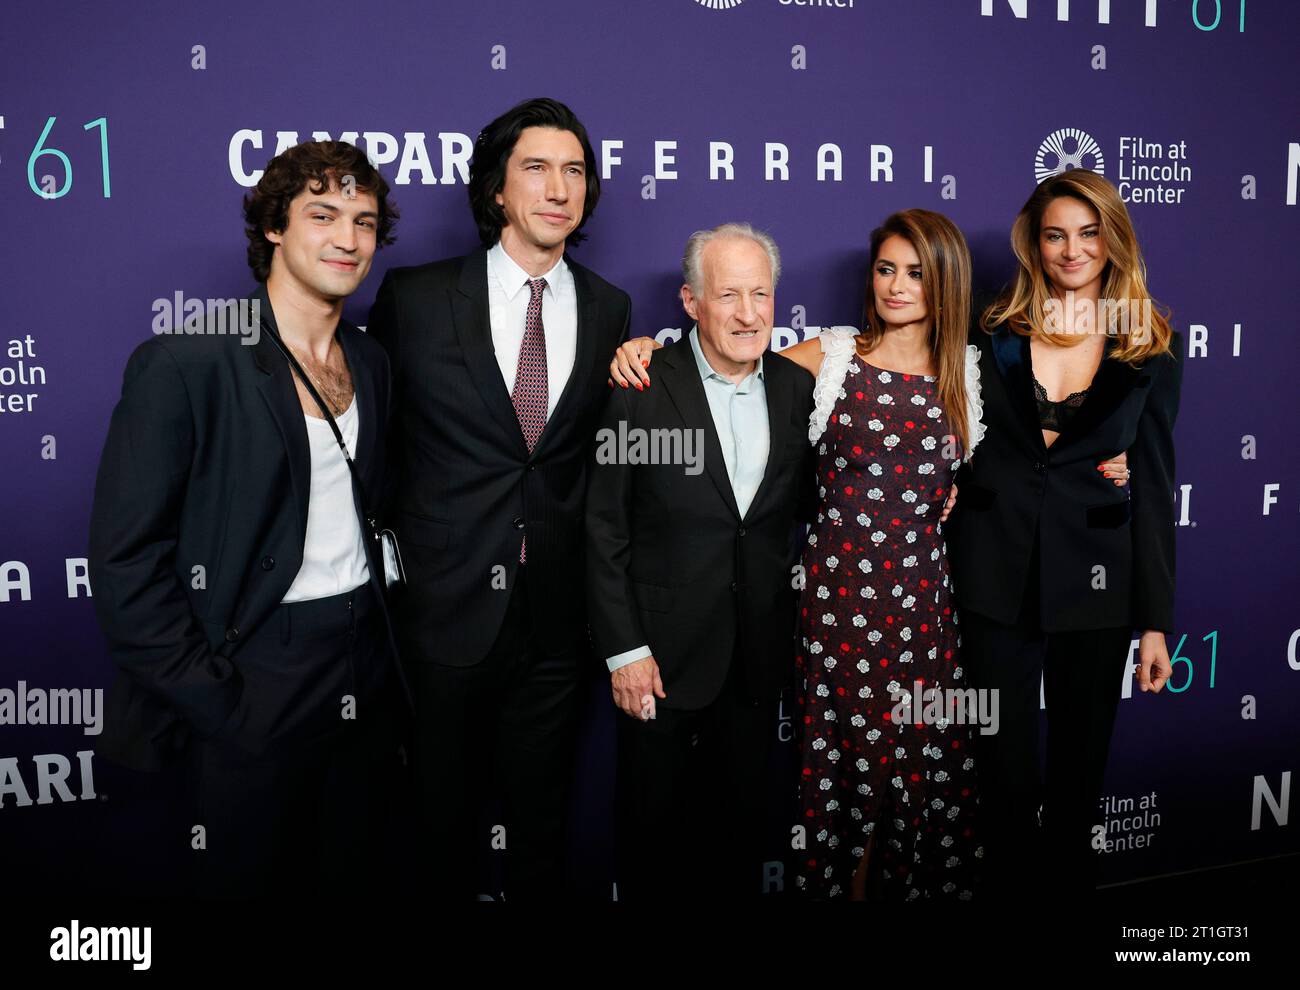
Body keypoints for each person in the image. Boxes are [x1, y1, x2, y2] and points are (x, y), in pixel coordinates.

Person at [88, 140, 410, 897]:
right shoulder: (188, 361)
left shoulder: (372, 364)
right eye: (322, 215)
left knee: (354, 874)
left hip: (365, 657)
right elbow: (125, 562)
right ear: (274, 226)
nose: (348, 239)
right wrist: (218, 699)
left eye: (364, 222)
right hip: (255, 667)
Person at [367, 97, 631, 901]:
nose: (559, 187)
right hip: (443, 613)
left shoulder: (610, 307)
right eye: (537, 168)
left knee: (542, 830)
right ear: (496, 191)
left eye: (575, 170)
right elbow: (375, 449)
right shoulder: (413, 299)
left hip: (554, 621)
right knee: (438, 827)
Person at [944, 169, 1183, 904]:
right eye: (1055, 235)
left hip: (1097, 586)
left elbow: (1152, 486)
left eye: (1088, 233)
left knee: (1079, 782)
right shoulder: (992, 333)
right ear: (1034, 243)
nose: (1072, 250)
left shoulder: (1151, 350)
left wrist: (1153, 622)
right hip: (993, 578)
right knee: (1000, 776)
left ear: (1112, 240)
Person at [587, 222, 815, 900]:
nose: (749, 315)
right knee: (653, 843)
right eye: (728, 296)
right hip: (659, 661)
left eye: (762, 295)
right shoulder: (644, 385)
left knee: (739, 844)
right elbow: (603, 530)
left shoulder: (796, 391)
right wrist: (624, 650)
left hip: (755, 661)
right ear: (690, 302)